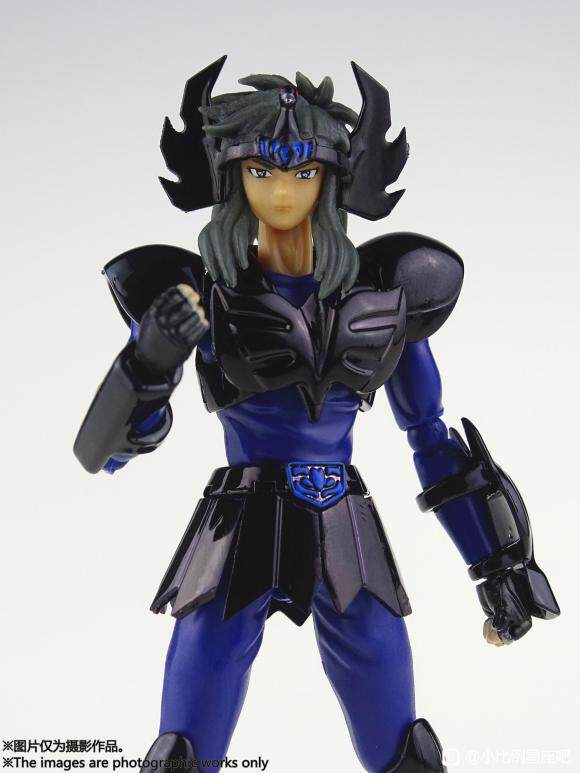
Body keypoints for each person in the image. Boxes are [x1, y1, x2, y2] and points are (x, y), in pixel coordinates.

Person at [74, 57, 560, 773]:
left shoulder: (386, 295)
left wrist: (500, 564)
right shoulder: (198, 294)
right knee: (182, 749)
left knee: (404, 748)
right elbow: (107, 452)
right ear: (233, 176)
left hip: (343, 528)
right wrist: (148, 363)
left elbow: (430, 437)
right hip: (238, 524)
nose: (281, 190)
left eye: (303, 171)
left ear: (332, 179)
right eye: (262, 170)